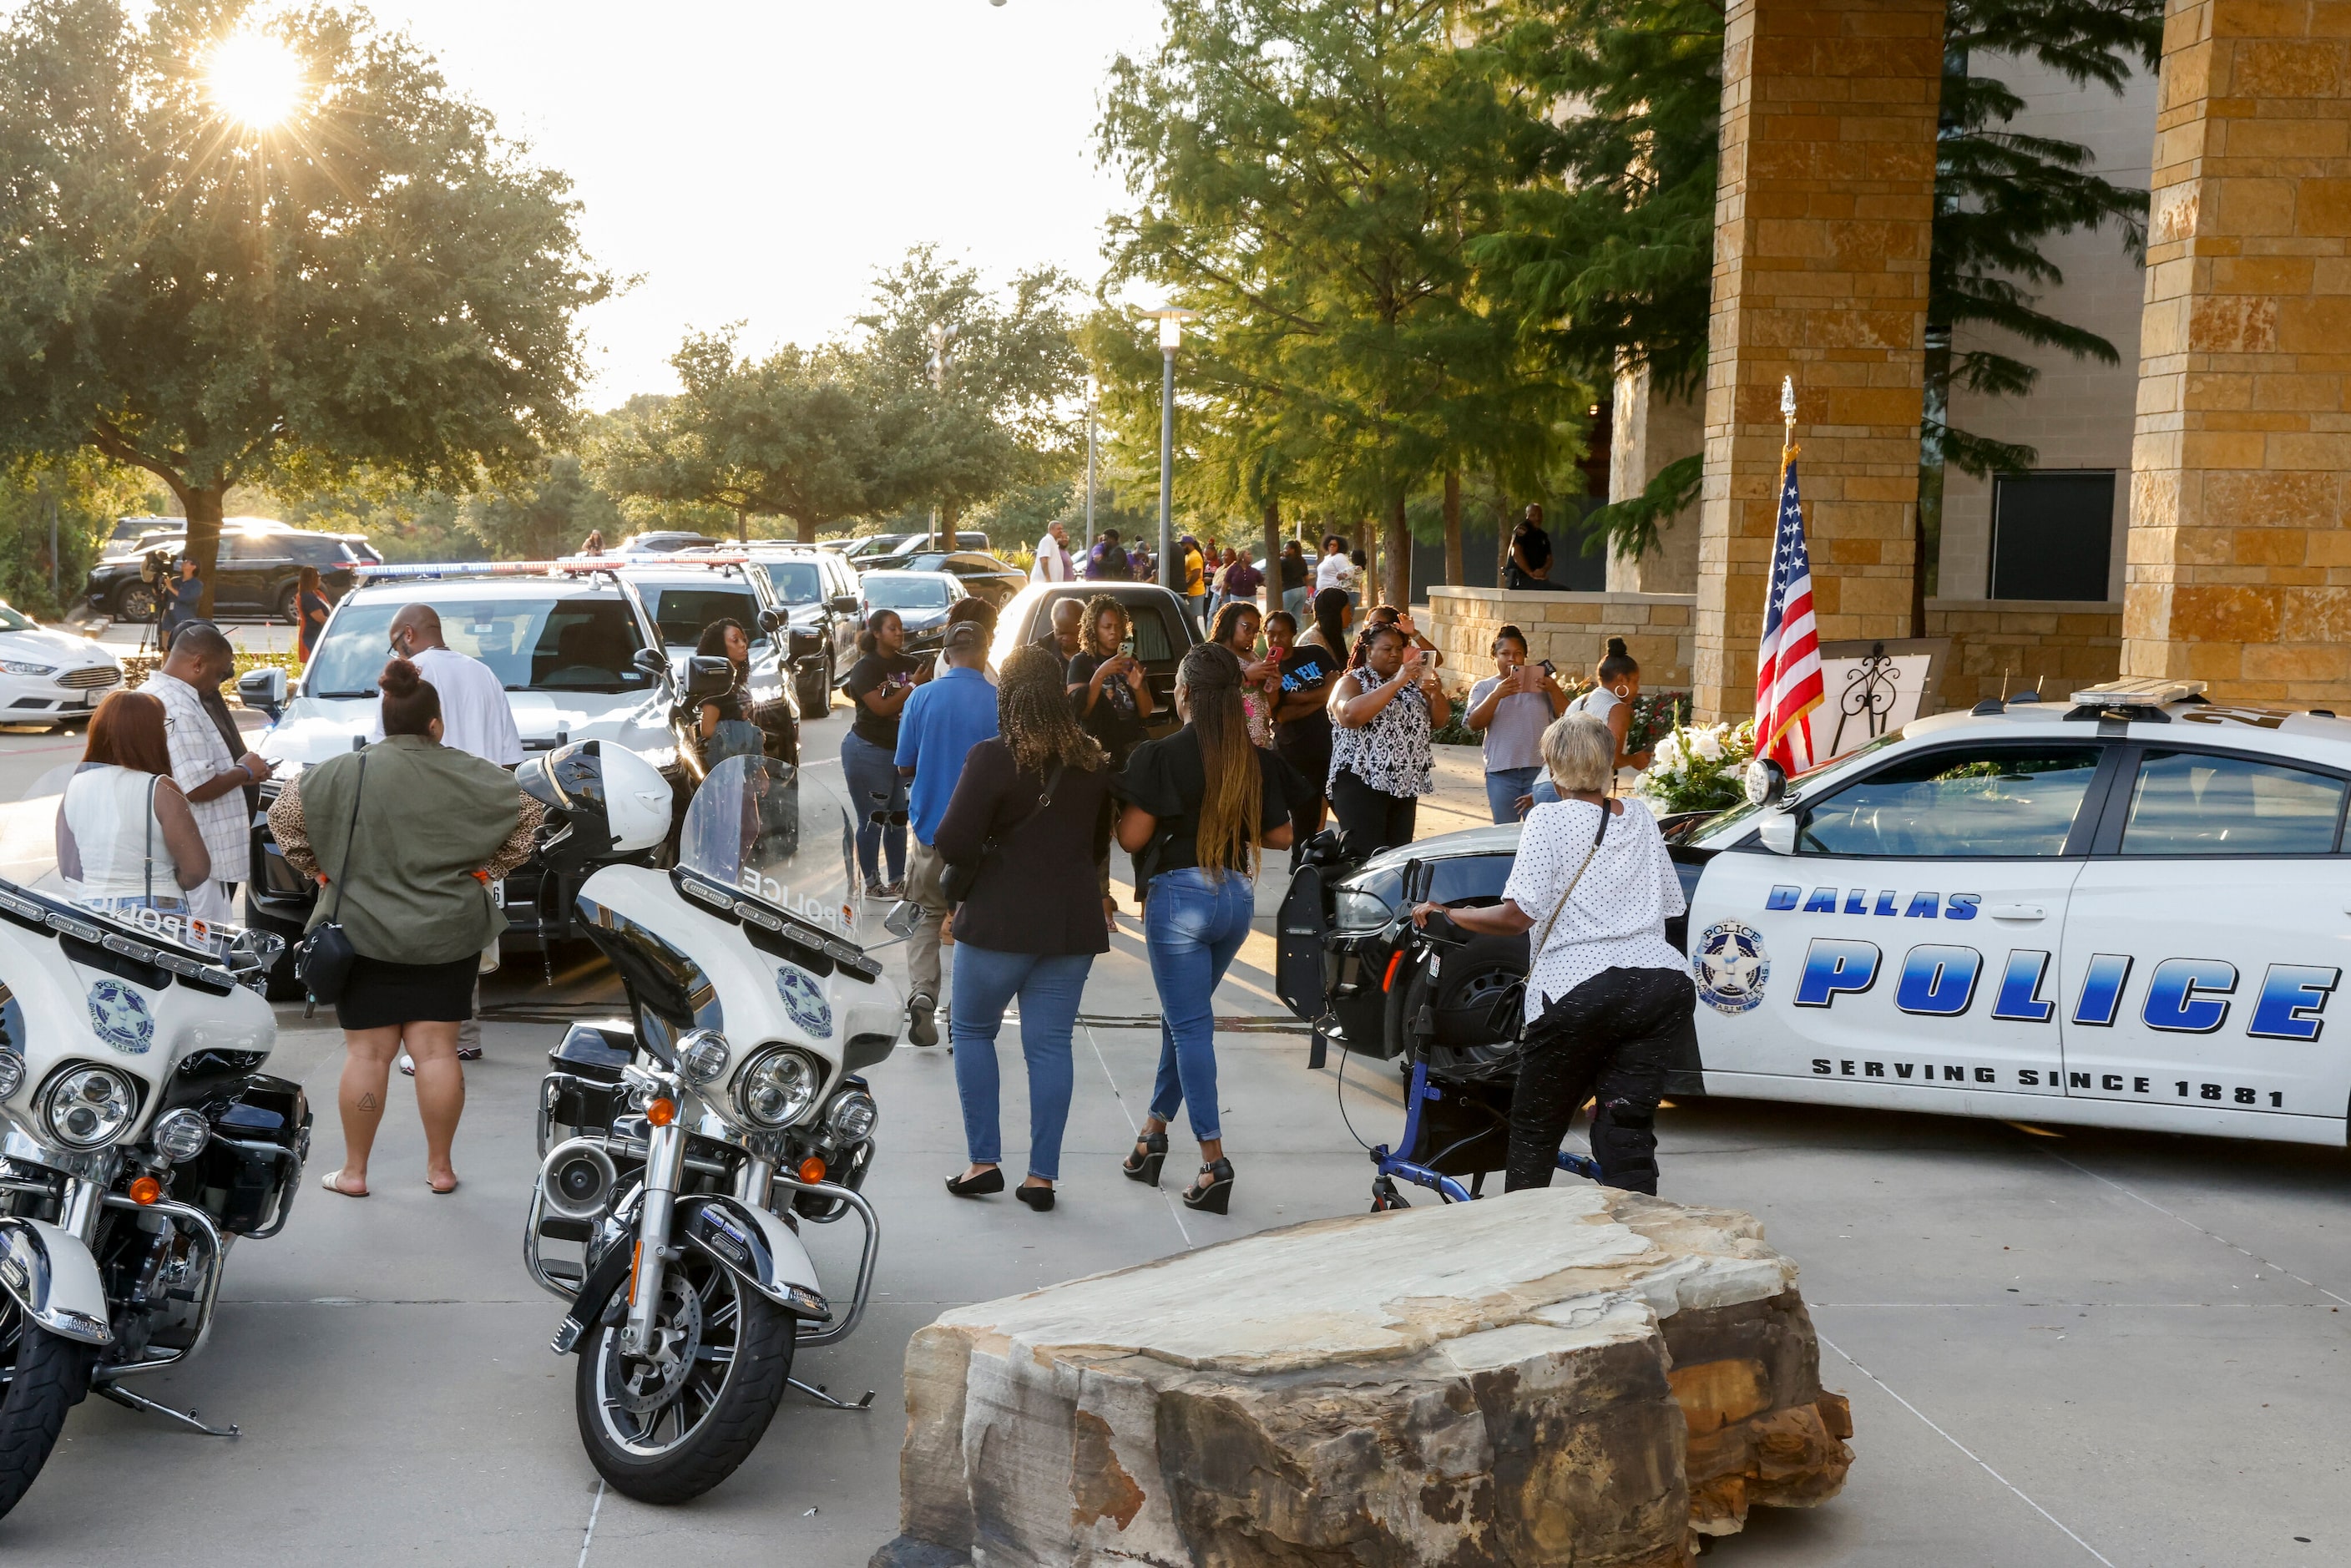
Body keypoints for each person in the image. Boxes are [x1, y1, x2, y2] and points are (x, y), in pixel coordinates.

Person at [271, 658, 540, 1198]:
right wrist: (488, 871)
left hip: (362, 934)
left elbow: (283, 817)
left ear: (384, 720)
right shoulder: (476, 773)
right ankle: (440, 1169)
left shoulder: (340, 772)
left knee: (367, 1055)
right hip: (447, 934)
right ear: (436, 725)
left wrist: (320, 870)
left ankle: (355, 1173)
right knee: (438, 1052)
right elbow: (530, 813)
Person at [1408, 715, 1691, 1196]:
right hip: (1661, 983)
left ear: (1553, 765)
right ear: (1606, 763)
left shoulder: (1547, 818)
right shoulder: (1641, 816)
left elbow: (1517, 917)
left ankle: (1525, 1240)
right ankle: (1642, 1234)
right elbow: (1669, 905)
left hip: (1580, 986)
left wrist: (1452, 915)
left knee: (1537, 1127)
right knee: (1628, 1124)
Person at [934, 645, 1116, 1211]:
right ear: (1060, 692)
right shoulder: (1091, 761)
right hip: (1069, 926)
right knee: (1049, 1046)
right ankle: (1042, 1178)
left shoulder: (993, 757)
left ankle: (983, 1162)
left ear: (1008, 695)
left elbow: (953, 841)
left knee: (971, 1032)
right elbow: (1095, 846)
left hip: (997, 922)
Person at [1117, 645, 1295, 1215]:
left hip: (1179, 902)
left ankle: (1213, 1161)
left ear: (1186, 693)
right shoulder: (1253, 757)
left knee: (1191, 1028)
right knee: (1183, 1020)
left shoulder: (1161, 755)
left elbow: (1132, 839)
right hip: (1235, 900)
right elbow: (1281, 837)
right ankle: (1151, 1136)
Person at [896, 621, 1003, 1048]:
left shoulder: (922, 697)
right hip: (985, 837)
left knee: (923, 913)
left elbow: (904, 765)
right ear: (985, 653)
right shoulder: (1000, 701)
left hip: (931, 832)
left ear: (945, 655)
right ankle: (966, 1015)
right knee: (975, 925)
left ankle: (923, 992)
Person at [144, 623, 273, 924]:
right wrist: (243, 771)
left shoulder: (177, 696)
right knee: (207, 949)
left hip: (199, 857)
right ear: (198, 663)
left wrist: (241, 772)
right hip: (197, 859)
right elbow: (195, 787)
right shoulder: (176, 706)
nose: (219, 683)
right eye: (219, 674)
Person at [55, 690, 210, 911]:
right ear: (150, 734)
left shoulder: (76, 785)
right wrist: (167, 883)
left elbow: (69, 870)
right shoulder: (160, 788)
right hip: (155, 909)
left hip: (93, 907)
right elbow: (197, 869)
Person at [1327, 620, 1442, 859]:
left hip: (1404, 785)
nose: (1395, 654)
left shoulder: (1411, 686)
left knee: (1396, 860)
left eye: (1399, 649)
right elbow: (1349, 715)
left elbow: (1439, 721)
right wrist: (1396, 683)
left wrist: (1435, 694)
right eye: (1387, 649)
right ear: (1368, 651)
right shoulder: (1352, 681)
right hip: (1361, 783)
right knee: (1364, 859)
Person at [372, 604, 524, 767]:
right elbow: (512, 761)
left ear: (409, 634)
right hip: (486, 790)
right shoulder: (485, 673)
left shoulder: (405, 677)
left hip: (429, 791)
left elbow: (384, 757)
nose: (399, 657)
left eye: (396, 649)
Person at [841, 609, 927, 898]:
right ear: (876, 633)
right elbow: (882, 708)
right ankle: (871, 883)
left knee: (899, 819)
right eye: (892, 628)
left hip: (902, 753)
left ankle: (897, 880)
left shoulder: (912, 663)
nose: (899, 633)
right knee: (873, 818)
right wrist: (913, 684)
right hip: (868, 750)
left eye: (901, 628)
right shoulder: (866, 668)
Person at [1466, 625, 1568, 823]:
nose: (1511, 659)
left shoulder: (1541, 685)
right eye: (1505, 653)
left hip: (1539, 773)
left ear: (1525, 657)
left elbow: (1567, 718)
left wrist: (1554, 689)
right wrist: (1496, 695)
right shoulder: (1485, 687)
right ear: (1494, 656)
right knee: (1505, 832)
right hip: (1502, 774)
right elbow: (1474, 724)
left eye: (1517, 654)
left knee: (1542, 831)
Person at [1264, 609, 1332, 855]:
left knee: (1346, 811)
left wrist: (1297, 699)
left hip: (1330, 747)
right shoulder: (1268, 670)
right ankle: (1302, 871)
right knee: (1305, 821)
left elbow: (1337, 687)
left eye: (1282, 633)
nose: (1276, 639)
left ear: (1293, 633)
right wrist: (1323, 696)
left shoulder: (1315, 653)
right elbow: (1280, 714)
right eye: (1270, 634)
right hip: (1295, 754)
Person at [1065, 594, 1155, 769]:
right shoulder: (1081, 662)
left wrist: (1137, 688)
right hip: (1100, 749)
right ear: (1094, 629)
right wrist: (1100, 675)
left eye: (1118, 626)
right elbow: (1080, 712)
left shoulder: (1130, 659)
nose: (1114, 632)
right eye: (1107, 627)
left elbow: (1145, 712)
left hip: (1132, 745)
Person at [1566, 637, 1654, 774]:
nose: (1637, 688)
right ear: (1622, 680)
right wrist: (1634, 759)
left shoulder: (1578, 702)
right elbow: (1611, 758)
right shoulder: (1617, 709)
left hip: (1549, 786)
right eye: (1635, 682)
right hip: (1577, 791)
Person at [692, 618, 762, 767]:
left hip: (742, 762)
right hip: (726, 768)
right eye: (735, 640)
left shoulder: (734, 680)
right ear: (719, 645)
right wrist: (750, 732)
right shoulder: (717, 687)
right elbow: (707, 729)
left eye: (744, 640)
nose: (743, 645)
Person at [1209, 599, 1275, 748]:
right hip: (1232, 741)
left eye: (1255, 631)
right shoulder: (1214, 654)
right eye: (1247, 628)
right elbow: (1212, 689)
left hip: (1261, 740)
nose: (1251, 635)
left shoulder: (1253, 656)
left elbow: (1270, 701)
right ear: (1230, 623)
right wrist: (1245, 676)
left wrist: (1273, 684)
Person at [1506, 503, 1556, 590]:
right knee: (1559, 591)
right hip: (1520, 579)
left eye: (1539, 515)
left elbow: (1549, 559)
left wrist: (1542, 571)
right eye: (1533, 515)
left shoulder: (1542, 536)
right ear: (1527, 516)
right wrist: (1530, 573)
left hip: (1536, 579)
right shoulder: (1522, 529)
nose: (1537, 518)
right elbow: (1516, 553)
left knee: (1562, 591)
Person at [158, 558, 204, 650]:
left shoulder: (196, 584)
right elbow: (164, 598)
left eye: (187, 562)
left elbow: (188, 598)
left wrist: (171, 588)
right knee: (166, 649)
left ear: (193, 567)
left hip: (184, 620)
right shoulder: (175, 581)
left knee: (182, 650)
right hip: (168, 620)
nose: (183, 563)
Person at [294, 566, 333, 664]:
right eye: (318, 576)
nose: (320, 579)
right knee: (317, 663)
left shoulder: (315, 594)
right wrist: (334, 624)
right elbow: (319, 618)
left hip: (318, 634)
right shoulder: (307, 597)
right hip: (313, 636)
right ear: (311, 579)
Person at [1032, 597, 1084, 663]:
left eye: (1073, 633)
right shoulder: (1037, 654)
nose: (1066, 638)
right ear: (1053, 626)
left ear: (1084, 627)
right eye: (1061, 633)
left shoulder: (1096, 651)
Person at [1221, 548, 1263, 616]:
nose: (1251, 556)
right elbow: (1226, 583)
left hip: (1251, 598)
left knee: (1250, 615)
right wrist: (1222, 595)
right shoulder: (1233, 569)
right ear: (1242, 558)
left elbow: (1262, 581)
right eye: (1248, 554)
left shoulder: (1254, 571)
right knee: (1237, 616)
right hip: (1236, 598)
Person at [1031, 519, 1075, 583]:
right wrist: (1048, 578)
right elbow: (1044, 561)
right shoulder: (1046, 540)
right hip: (1044, 582)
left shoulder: (1054, 543)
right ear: (1051, 529)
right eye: (1058, 529)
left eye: (1061, 529)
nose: (1061, 531)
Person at [1181, 536, 1209, 630]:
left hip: (1196, 591)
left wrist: (1186, 585)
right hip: (1191, 591)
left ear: (1189, 544)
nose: (1182, 547)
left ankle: (1194, 638)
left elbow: (1196, 574)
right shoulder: (1189, 555)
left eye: (1183, 545)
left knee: (1193, 619)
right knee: (1189, 618)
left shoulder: (1195, 556)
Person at [1279, 540, 1310, 623]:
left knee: (1283, 614)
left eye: (1286, 548)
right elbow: (1306, 577)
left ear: (1293, 550)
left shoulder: (1284, 561)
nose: (1284, 550)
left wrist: (1278, 557)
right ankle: (1299, 634)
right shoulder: (1302, 560)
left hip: (1290, 590)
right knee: (1297, 617)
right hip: (1302, 589)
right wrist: (1307, 589)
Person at [1313, 535, 1352, 599]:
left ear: (1340, 546)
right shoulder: (1327, 557)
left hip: (1331, 593)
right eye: (1330, 545)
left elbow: (1345, 575)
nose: (1331, 547)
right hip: (1320, 591)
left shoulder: (1340, 557)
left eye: (1334, 545)